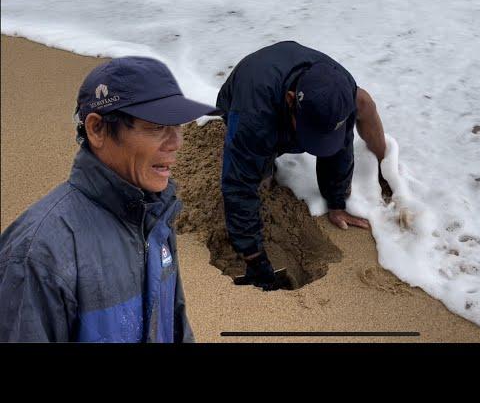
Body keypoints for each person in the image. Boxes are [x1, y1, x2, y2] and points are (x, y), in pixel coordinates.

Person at [0, 56, 220, 342]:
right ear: (96, 129)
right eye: (156, 126)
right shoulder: (37, 255)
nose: (176, 142)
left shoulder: (155, 218)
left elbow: (176, 327)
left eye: (177, 125)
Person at [216, 41, 390, 291]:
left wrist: (336, 202)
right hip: (241, 97)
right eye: (312, 135)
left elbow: (341, 145)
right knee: (259, 176)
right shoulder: (252, 116)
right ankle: (269, 166)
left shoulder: (341, 90)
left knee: (358, 109)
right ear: (290, 100)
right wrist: (253, 257)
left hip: (293, 92)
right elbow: (237, 187)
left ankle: (387, 166)